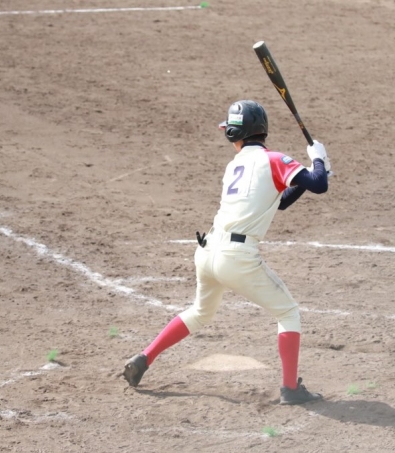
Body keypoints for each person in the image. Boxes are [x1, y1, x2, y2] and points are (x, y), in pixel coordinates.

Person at [123, 100, 331, 405]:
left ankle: (145, 357)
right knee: (288, 313)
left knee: (199, 312)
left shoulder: (235, 166)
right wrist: (319, 161)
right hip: (236, 257)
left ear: (235, 133)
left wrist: (315, 171)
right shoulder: (274, 159)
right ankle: (290, 389)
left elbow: (280, 200)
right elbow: (319, 185)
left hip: (208, 251)